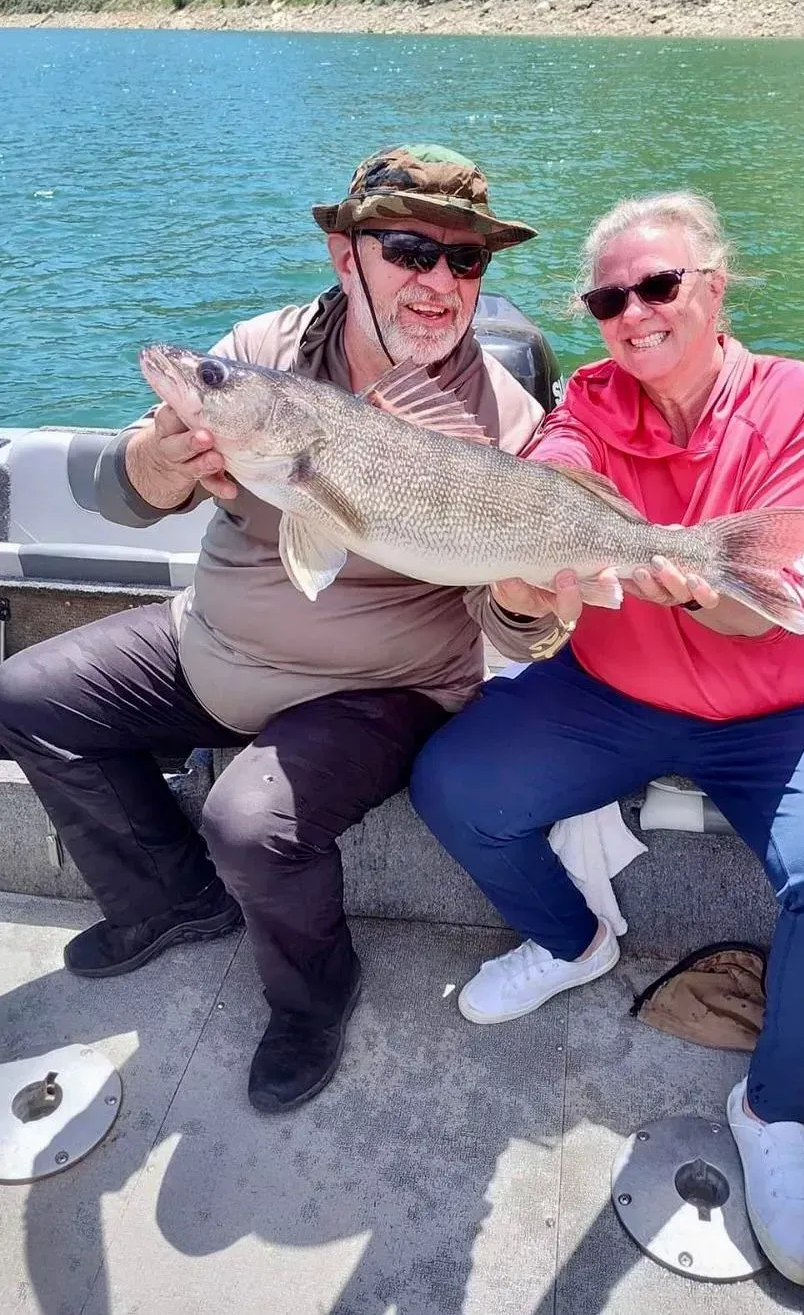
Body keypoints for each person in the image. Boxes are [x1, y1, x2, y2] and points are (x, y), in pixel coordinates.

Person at [0, 143, 557, 1114]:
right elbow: (119, 495)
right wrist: (156, 465)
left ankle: (313, 994)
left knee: (248, 821)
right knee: (26, 697)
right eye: (407, 249)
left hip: (377, 693)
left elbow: (514, 628)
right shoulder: (257, 352)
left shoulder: (501, 417)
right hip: (207, 644)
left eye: (465, 259)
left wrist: (530, 598)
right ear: (347, 256)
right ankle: (168, 898)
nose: (439, 282)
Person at [411, 189, 804, 1289]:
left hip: (791, 705)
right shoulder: (585, 401)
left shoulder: (803, 403)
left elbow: (772, 607)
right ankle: (572, 940)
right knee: (456, 782)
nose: (633, 311)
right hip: (614, 689)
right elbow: (545, 527)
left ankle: (771, 1105)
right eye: (609, 296)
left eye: (657, 285)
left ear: (713, 288)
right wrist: (523, 583)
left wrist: (686, 581)